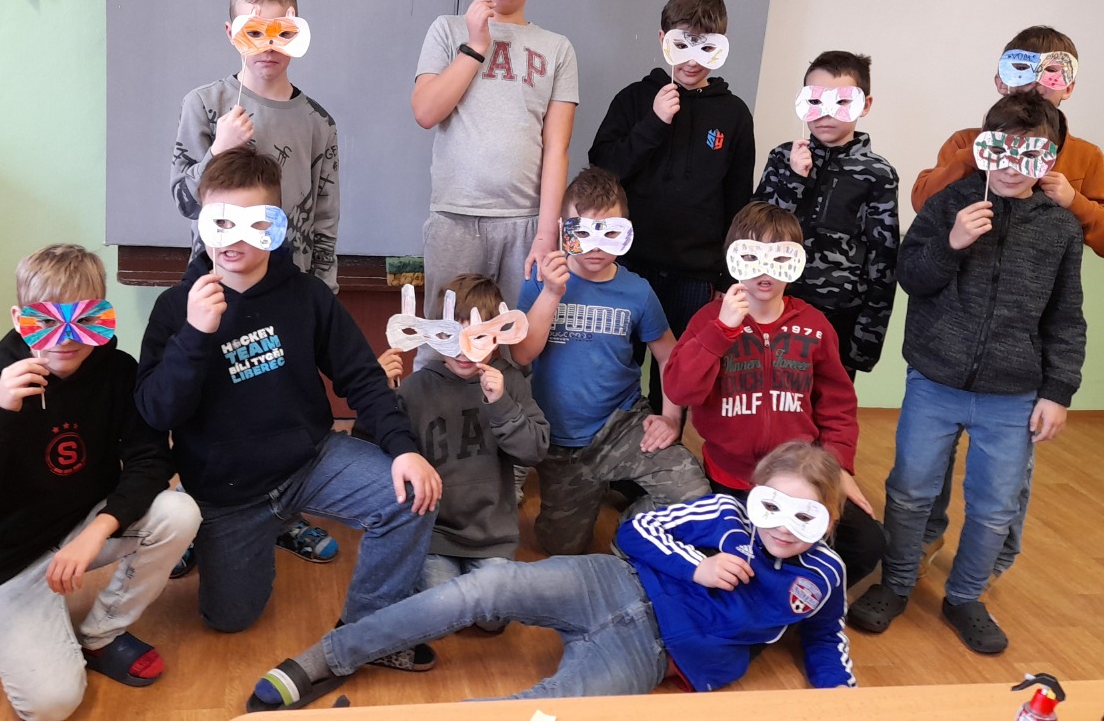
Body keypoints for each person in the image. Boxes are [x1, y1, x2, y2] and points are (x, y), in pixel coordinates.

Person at [246, 441, 855, 710]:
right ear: (754, 495)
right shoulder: (723, 515)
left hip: (657, 657)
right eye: (773, 505)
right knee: (487, 586)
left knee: (548, 712)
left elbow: (827, 639)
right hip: (615, 583)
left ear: (828, 520)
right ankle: (331, 655)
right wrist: (698, 565)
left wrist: (843, 704)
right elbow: (634, 532)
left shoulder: (824, 575)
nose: (783, 527)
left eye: (804, 515)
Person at [135, 146, 443, 670]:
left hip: (309, 462)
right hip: (229, 490)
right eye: (221, 222)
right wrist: (195, 335)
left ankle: (367, 633)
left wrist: (403, 449)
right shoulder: (174, 309)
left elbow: (361, 376)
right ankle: (221, 527)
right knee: (229, 617)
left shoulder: (306, 296)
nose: (233, 239)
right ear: (203, 223)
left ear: (275, 226)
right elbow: (156, 411)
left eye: (253, 223)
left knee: (413, 494)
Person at [848, 92, 1086, 655]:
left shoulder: (1061, 229)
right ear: (984, 148)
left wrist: (1058, 392)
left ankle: (965, 596)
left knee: (996, 504)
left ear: (1049, 160)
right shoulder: (948, 203)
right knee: (910, 490)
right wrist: (952, 243)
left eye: (1028, 155)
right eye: (1001, 151)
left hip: (1013, 393)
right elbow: (910, 275)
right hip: (935, 380)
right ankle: (896, 584)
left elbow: (1066, 316)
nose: (1011, 167)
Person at [0, 244, 200, 721]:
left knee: (179, 512)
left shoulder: (117, 373)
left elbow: (150, 460)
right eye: (47, 322)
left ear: (102, 315)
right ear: (20, 319)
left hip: (83, 526)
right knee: (52, 703)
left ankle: (99, 635)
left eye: (83, 319)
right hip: (7, 557)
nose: (66, 339)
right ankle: (39, 619)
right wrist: (0, 416)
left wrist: (98, 531)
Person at [908, 25, 1104, 584]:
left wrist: (1074, 200)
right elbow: (925, 203)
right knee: (924, 466)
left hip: (1017, 352)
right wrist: (976, 154)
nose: (1035, 83)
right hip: (947, 344)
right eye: (1022, 70)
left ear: (1068, 85)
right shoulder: (969, 141)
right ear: (999, 78)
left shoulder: (1085, 157)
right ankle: (921, 541)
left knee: (1006, 477)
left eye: (1051, 73)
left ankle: (986, 568)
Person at [169, 0, 342, 564]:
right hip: (214, 278)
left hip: (288, 286)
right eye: (254, 30)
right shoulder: (206, 105)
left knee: (279, 398)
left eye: (282, 30)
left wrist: (323, 298)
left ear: (297, 32)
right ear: (232, 33)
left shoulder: (319, 122)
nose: (269, 44)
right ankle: (193, 517)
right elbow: (182, 199)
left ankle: (282, 514)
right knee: (209, 397)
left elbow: (325, 216)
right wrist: (219, 148)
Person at [663, 202, 883, 586]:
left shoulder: (814, 326)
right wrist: (721, 331)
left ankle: (794, 594)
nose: (765, 271)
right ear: (733, 258)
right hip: (731, 479)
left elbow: (838, 406)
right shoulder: (708, 321)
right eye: (752, 256)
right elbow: (680, 389)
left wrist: (836, 468)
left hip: (800, 478)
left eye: (779, 258)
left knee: (866, 543)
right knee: (726, 561)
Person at [512, 167, 709, 555]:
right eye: (583, 232)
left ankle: (633, 532)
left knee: (694, 497)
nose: (595, 247)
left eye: (610, 233)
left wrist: (671, 418)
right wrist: (551, 292)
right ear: (563, 230)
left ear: (626, 231)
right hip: (561, 441)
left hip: (623, 425)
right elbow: (522, 354)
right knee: (559, 546)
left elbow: (670, 356)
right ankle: (591, 498)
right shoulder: (540, 280)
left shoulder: (637, 291)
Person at [588, 0, 756, 408]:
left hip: (694, 276)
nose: (692, 60)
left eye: (706, 48)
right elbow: (602, 172)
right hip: (627, 265)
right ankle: (617, 444)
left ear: (721, 47)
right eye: (682, 45)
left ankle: (666, 445)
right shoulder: (634, 99)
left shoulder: (734, 114)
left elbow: (739, 201)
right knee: (617, 367)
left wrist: (727, 278)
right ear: (663, 39)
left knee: (677, 377)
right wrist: (653, 123)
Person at [411, 0, 578, 325]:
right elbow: (426, 112)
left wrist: (546, 233)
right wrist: (475, 44)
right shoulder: (447, 30)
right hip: (454, 217)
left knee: (515, 338)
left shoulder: (557, 49)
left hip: (524, 223)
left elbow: (557, 148)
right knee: (446, 336)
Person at [381, 273, 550, 606]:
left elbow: (534, 450)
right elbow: (378, 456)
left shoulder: (510, 381)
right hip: (435, 534)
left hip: (491, 537)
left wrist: (501, 403)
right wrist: (381, 397)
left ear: (497, 337)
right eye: (450, 336)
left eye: (477, 338)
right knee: (444, 607)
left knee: (493, 617)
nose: (463, 350)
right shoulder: (416, 388)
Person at [752, 50, 898, 379]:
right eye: (816, 101)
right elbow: (756, 227)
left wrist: (865, 345)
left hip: (837, 319)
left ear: (865, 105)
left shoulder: (878, 174)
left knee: (826, 402)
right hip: (773, 306)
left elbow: (883, 260)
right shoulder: (783, 157)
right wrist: (793, 180)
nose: (827, 113)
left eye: (842, 101)